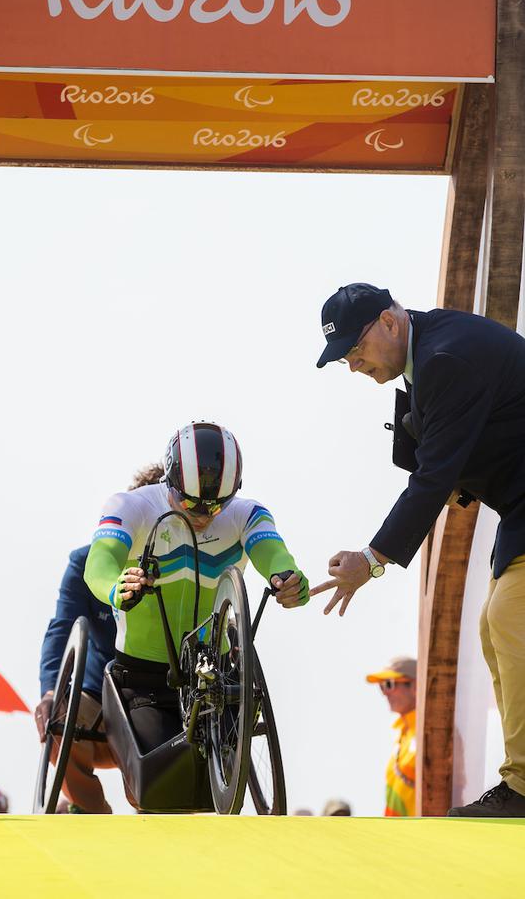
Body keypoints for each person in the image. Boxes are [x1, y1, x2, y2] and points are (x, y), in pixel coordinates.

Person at [311, 282, 525, 817]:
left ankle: (523, 787)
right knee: (493, 629)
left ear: (389, 321)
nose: (354, 366)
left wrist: (372, 559)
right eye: (345, 360)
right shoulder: (424, 357)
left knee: (507, 618)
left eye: (355, 350)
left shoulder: (445, 358)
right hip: (520, 505)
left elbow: (432, 481)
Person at [84, 421, 310, 776]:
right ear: (170, 483)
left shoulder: (247, 513)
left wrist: (288, 579)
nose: (204, 515)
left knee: (208, 783)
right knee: (164, 782)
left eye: (217, 506)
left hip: (213, 673)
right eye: (191, 502)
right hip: (144, 679)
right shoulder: (131, 506)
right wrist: (116, 586)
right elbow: (98, 563)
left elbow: (275, 555)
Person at [35, 463, 164, 814]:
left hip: (163, 693)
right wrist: (49, 692)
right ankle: (93, 813)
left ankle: (154, 808)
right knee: (58, 717)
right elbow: (62, 628)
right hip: (100, 696)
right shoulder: (85, 562)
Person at [366, 656, 417, 817]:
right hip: (399, 835)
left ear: (415, 685)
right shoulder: (403, 734)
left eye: (389, 684)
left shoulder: (429, 732)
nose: (385, 693)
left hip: (422, 833)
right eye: (382, 687)